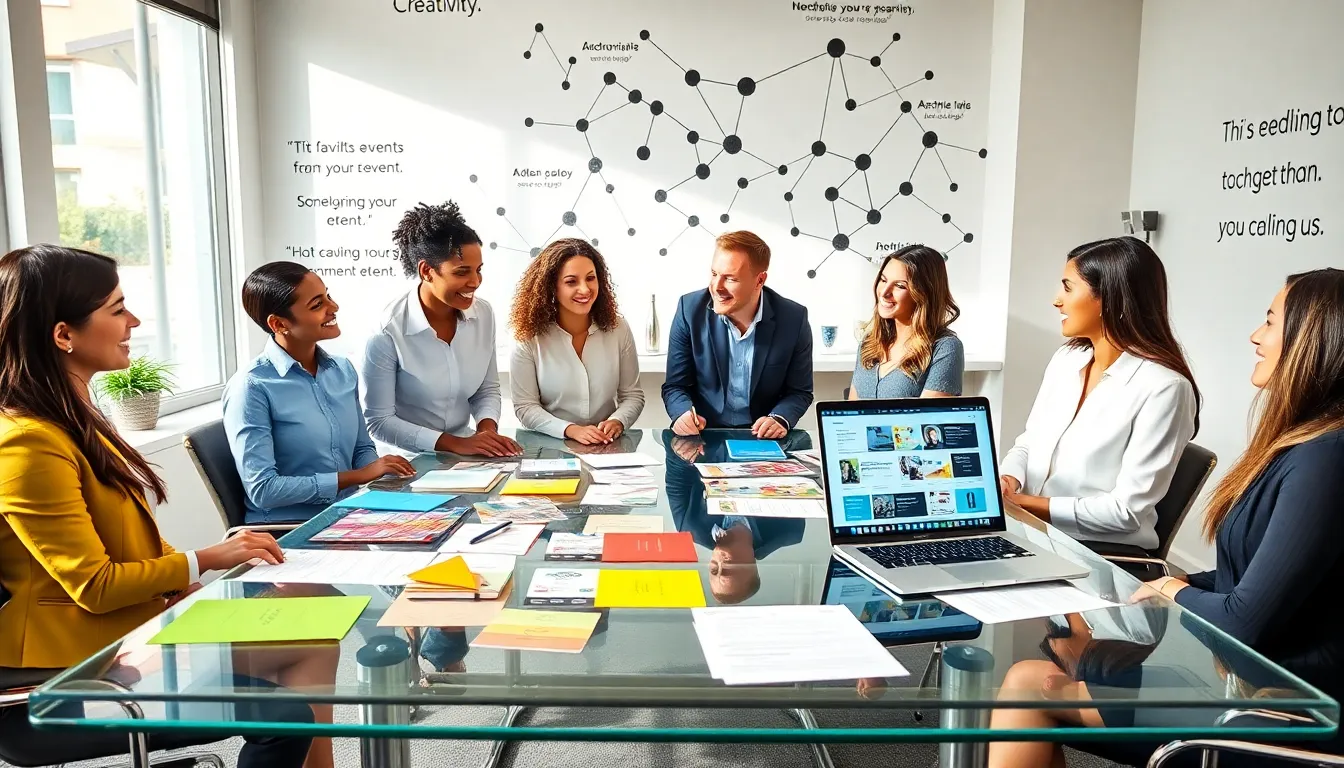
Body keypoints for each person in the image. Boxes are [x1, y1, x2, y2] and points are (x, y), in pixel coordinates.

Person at [989, 268, 1344, 768]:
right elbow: (1255, 575)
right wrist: (1183, 579)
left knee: (1029, 693)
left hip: (1285, 705)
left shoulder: (1325, 461)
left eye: (1270, 321)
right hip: (1251, 675)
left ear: (1315, 340)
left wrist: (1174, 591)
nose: (1255, 335)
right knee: (1028, 680)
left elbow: (1243, 623)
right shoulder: (1303, 447)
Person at [0, 245, 319, 768]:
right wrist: (206, 559)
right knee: (285, 717)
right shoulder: (28, 442)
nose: (135, 321)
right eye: (116, 309)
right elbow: (96, 586)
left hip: (123, 638)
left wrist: (177, 579)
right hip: (63, 676)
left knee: (308, 634)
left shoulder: (75, 417)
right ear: (64, 335)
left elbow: (125, 539)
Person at [998, 237, 1200, 552]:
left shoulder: (1165, 389)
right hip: (1035, 534)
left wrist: (1023, 503)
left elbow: (1125, 513)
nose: (1057, 300)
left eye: (1067, 287)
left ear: (1109, 298)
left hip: (1099, 552)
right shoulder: (1066, 360)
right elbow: (1028, 443)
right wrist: (1008, 480)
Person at [223, 262, 415, 524]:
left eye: (328, 295)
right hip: (288, 530)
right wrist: (359, 476)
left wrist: (385, 474)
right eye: (317, 305)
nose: (333, 307)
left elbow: (362, 448)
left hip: (350, 515)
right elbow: (263, 490)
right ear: (279, 323)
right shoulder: (252, 387)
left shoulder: (343, 370)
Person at [363, 201, 521, 457]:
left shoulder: (484, 314)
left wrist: (486, 430)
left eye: (479, 271)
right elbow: (379, 422)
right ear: (427, 271)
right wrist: (454, 443)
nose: (475, 282)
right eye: (462, 272)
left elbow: (486, 388)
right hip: (408, 460)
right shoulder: (387, 332)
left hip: (466, 454)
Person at [662, 231, 813, 438]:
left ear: (760, 280)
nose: (716, 287)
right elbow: (675, 386)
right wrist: (682, 413)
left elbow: (800, 391)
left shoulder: (794, 319)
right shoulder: (689, 311)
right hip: (705, 435)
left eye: (730, 279)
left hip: (762, 439)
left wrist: (779, 418)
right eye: (714, 274)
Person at [508, 238, 644, 445]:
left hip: (606, 446)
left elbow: (633, 395)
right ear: (552, 287)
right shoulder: (529, 336)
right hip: (550, 447)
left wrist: (618, 421)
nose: (585, 289)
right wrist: (571, 430)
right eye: (571, 281)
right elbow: (525, 407)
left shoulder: (619, 328)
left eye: (591, 278)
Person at [663, 431, 808, 604]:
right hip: (761, 429)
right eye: (728, 572)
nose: (720, 564)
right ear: (750, 567)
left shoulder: (690, 527)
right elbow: (800, 447)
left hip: (705, 431)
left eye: (714, 570)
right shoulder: (788, 530)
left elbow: (676, 482)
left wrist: (684, 453)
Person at [849, 245, 964, 399]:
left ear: (924, 294)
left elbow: (928, 419)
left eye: (899, 286)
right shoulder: (869, 343)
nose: (884, 292)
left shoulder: (945, 348)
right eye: (883, 280)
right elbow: (851, 412)